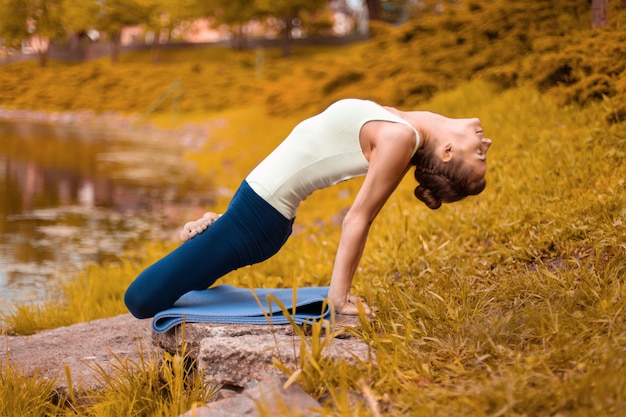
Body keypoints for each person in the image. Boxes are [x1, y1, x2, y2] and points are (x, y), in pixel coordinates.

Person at [124, 98, 491, 319]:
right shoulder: (402, 124)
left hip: (258, 222)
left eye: (479, 154)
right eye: (483, 151)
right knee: (183, 282)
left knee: (139, 300)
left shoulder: (400, 138)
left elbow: (358, 218)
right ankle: (208, 235)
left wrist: (338, 299)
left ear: (447, 153)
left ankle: (209, 242)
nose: (486, 141)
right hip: (248, 212)